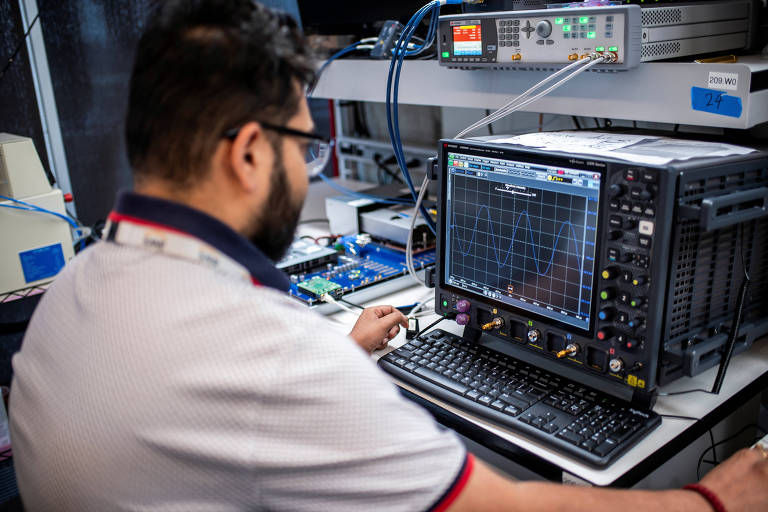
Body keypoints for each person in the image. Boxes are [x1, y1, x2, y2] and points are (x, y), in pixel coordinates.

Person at [9, 1, 768, 510]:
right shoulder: (266, 359)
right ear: (247, 152)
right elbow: (498, 507)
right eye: (307, 145)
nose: (310, 167)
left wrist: (340, 348)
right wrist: (707, 500)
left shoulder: (80, 283)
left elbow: (209, 400)